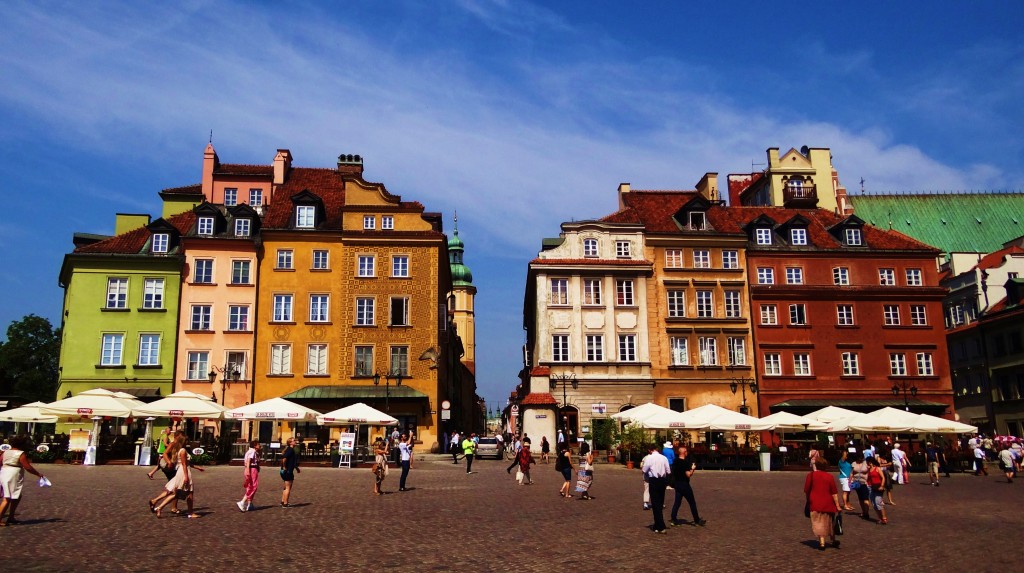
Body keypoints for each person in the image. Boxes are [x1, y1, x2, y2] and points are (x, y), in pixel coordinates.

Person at [0, 436, 47, 526]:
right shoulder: (20, 453)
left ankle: (11, 516)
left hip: (4, 472)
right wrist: (38, 474)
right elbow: (27, 467)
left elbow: (0, 462)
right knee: (7, 498)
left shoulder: (5, 452)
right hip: (13, 474)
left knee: (17, 495)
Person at [804, 457, 842, 550]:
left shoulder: (811, 475)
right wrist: (837, 505)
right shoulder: (829, 477)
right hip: (828, 502)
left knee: (819, 522)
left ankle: (822, 542)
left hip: (815, 502)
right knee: (830, 521)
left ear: (816, 465)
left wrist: (808, 500)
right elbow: (834, 492)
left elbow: (807, 490)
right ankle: (833, 539)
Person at [670, 445, 706, 527]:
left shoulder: (675, 461)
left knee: (677, 502)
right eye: (686, 451)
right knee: (692, 503)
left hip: (677, 484)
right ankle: (696, 520)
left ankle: (673, 518)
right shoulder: (685, 462)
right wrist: (692, 469)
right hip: (684, 484)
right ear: (684, 453)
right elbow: (688, 474)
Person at [641, 443, 671, 534]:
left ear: (650, 450)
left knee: (655, 503)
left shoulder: (649, 458)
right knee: (660, 502)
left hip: (653, 480)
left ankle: (660, 525)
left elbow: (644, 470)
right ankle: (658, 525)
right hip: (662, 480)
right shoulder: (664, 458)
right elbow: (668, 471)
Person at [237, 440, 261, 512]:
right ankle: (242, 501)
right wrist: (248, 470)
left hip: (251, 468)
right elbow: (249, 461)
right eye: (258, 444)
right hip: (252, 469)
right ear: (255, 445)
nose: (259, 445)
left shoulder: (251, 451)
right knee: (254, 486)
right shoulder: (252, 451)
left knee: (249, 486)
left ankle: (250, 504)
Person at [865, 457, 888, 525]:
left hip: (878, 487)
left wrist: (882, 485)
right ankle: (879, 518)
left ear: (870, 462)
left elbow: (883, 477)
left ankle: (884, 518)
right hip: (872, 487)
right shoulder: (869, 470)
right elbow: (868, 479)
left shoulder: (877, 469)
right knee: (874, 503)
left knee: (878, 502)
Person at [849, 453, 872, 520]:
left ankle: (866, 513)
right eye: (859, 458)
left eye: (861, 458)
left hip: (865, 483)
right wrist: (850, 481)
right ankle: (864, 511)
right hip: (856, 483)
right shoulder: (854, 463)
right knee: (861, 498)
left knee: (865, 498)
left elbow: (870, 470)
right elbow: (851, 473)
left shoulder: (866, 463)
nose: (860, 459)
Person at [280, 437, 300, 507]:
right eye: (294, 441)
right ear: (290, 443)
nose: (295, 441)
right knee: (288, 487)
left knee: (285, 487)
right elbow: (284, 459)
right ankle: (285, 503)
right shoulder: (290, 450)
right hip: (288, 471)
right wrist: (284, 467)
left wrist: (296, 468)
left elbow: (290, 461)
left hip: (285, 471)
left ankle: (283, 501)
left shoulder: (289, 449)